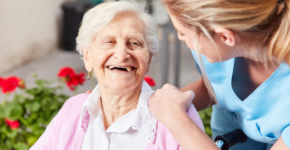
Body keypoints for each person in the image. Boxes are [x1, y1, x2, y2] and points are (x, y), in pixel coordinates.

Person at [30, 1, 204, 150]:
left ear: (149, 59)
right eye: (109, 42)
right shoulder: (73, 110)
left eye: (134, 43)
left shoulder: (178, 117)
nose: (122, 55)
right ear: (88, 57)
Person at [148, 0, 290, 150]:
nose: (179, 37)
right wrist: (165, 105)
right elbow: (214, 85)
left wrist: (175, 118)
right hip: (231, 117)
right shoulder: (216, 49)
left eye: (182, 32)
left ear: (224, 37)